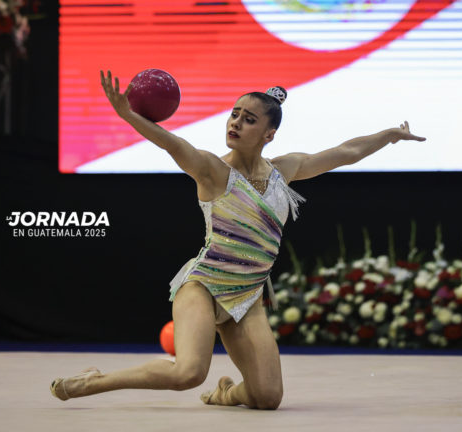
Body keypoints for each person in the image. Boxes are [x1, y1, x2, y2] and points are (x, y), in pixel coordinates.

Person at [49, 70, 426, 410]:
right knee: (188, 373)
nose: (236, 123)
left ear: (268, 134)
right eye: (234, 114)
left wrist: (389, 135)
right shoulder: (214, 170)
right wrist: (128, 115)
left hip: (248, 296)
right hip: (205, 286)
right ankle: (95, 381)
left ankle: (226, 394)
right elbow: (174, 145)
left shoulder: (285, 170)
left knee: (267, 398)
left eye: (249, 119)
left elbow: (344, 153)